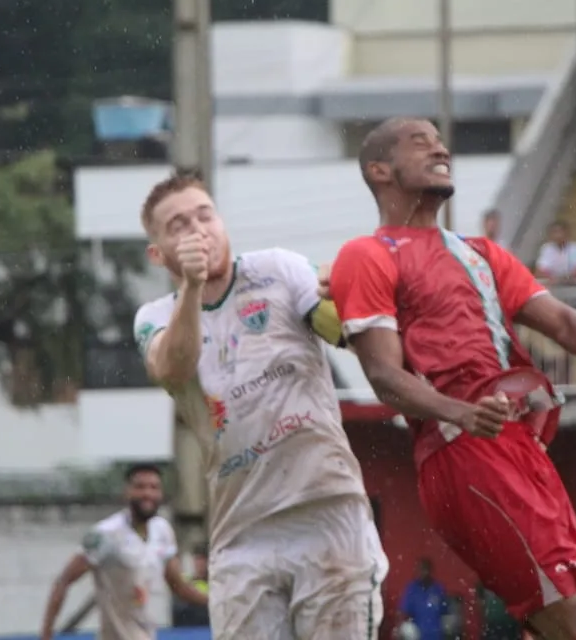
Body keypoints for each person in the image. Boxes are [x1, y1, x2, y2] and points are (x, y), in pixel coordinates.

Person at [329, 117, 576, 640]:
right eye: (421, 142)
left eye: (440, 140)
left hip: (517, 446)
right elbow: (383, 376)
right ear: (379, 170)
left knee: (566, 612)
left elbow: (570, 327)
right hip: (459, 447)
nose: (440, 149)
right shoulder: (367, 255)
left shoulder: (480, 253)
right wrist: (461, 412)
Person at [134, 172, 387, 639]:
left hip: (328, 514)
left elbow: (348, 334)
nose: (196, 229)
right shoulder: (153, 319)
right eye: (178, 225)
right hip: (242, 533)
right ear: (158, 254)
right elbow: (174, 367)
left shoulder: (280, 269)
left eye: (204, 215)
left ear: (222, 221)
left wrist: (353, 294)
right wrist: (190, 288)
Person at [39, 464, 206, 640]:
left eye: (154, 487)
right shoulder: (105, 534)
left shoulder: (162, 530)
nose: (147, 494)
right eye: (140, 487)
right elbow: (63, 581)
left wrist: (217, 603)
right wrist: (46, 634)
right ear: (127, 492)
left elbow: (178, 585)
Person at [399, 558, 450, 640]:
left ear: (431, 571)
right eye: (422, 569)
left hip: (436, 636)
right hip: (417, 636)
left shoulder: (439, 589)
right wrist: (402, 630)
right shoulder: (412, 589)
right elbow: (403, 612)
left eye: (426, 569)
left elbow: (445, 613)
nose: (424, 573)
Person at [172, 543, 210, 627]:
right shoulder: (185, 582)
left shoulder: (214, 584)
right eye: (197, 561)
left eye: (203, 562)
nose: (200, 565)